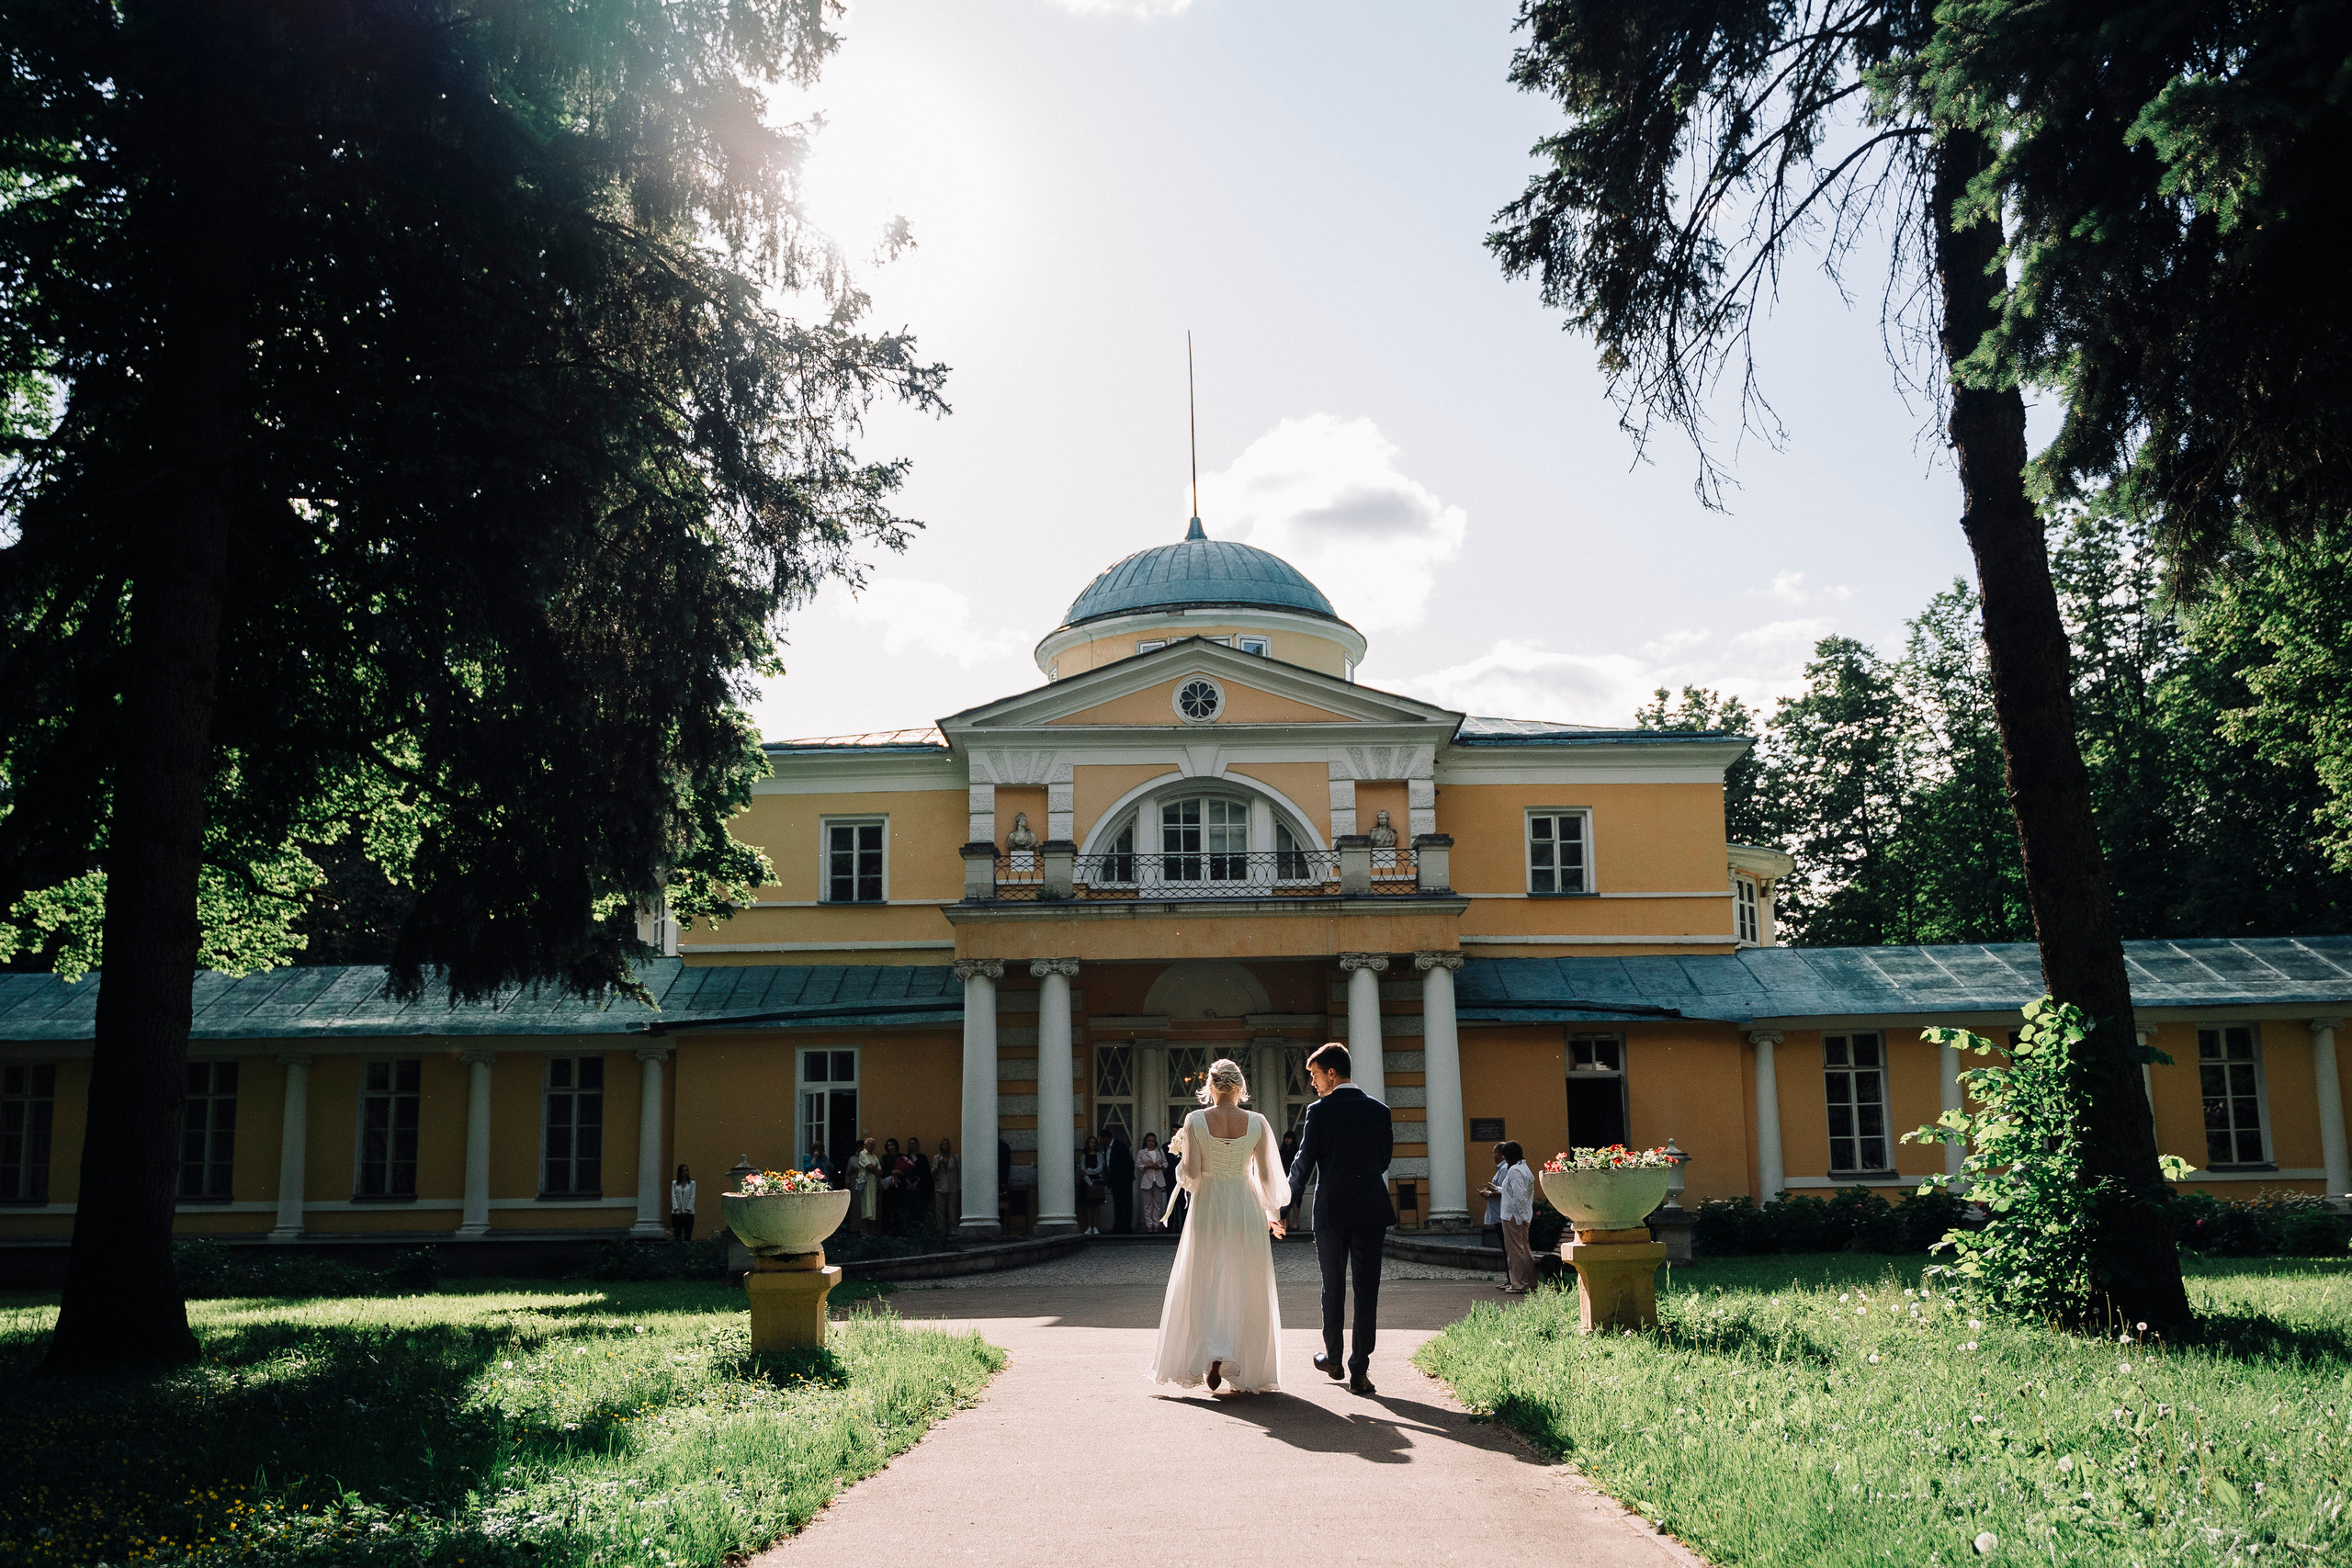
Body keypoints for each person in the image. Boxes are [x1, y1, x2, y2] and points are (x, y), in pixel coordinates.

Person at [1148, 1057, 1288, 1394]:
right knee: (1244, 1279)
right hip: (1244, 1203)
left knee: (1205, 1277)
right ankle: (1241, 1362)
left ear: (1210, 1087)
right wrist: (1272, 1214)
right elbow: (1267, 1177)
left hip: (1209, 1205)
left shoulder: (1196, 1120)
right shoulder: (1257, 1122)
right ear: (1241, 1087)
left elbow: (1193, 1174)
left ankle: (1212, 1352)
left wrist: (1182, 1170)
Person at [1285, 1040, 1394, 1396]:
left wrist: (1283, 1206)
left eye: (1315, 1075)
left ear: (1332, 1074)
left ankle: (1333, 1359)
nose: (1313, 1083)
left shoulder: (1320, 1111)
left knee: (1333, 1285)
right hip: (1370, 1208)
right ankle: (1359, 1371)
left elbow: (1303, 1164)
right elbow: (1382, 1162)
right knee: (1367, 1291)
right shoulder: (1380, 1111)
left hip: (1331, 1210)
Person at [1496, 1141, 1536, 1293]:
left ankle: (1519, 1284)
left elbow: (1519, 1196)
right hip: (1521, 1214)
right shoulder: (1524, 1168)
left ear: (1507, 1156)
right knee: (1525, 1249)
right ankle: (1531, 1281)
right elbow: (1518, 1193)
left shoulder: (1513, 1171)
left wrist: (1523, 1216)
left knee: (1515, 1251)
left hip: (1513, 1215)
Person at [1136, 1132, 1169, 1232]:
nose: (1151, 1143)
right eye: (1149, 1141)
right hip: (1147, 1179)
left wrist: (1160, 1166)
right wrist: (1147, 1166)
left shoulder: (1160, 1151)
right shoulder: (1142, 1152)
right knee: (1147, 1204)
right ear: (1146, 1142)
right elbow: (1138, 1165)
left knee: (1157, 1204)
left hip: (1158, 1178)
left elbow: (1166, 1163)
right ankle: (1149, 1225)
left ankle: (1156, 1225)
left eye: (1153, 1141)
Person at [1106, 1127, 1136, 1234]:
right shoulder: (1107, 1148)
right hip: (1114, 1182)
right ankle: (1118, 1226)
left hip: (1124, 1181)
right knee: (1117, 1204)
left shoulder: (1120, 1146)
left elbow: (1129, 1162)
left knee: (1126, 1204)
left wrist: (1127, 1177)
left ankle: (1127, 1227)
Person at [1478, 1145, 1507, 1252]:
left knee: (1506, 1245)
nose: (1493, 1156)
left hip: (1501, 1213)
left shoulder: (1504, 1169)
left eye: (1494, 1153)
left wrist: (1488, 1194)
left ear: (1500, 1154)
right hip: (1499, 1213)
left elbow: (1503, 1191)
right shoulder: (1501, 1169)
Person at [852, 1136, 881, 1234]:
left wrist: (874, 1170)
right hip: (864, 1183)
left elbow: (879, 1170)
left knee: (872, 1205)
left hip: (872, 1183)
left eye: (874, 1144)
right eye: (870, 1144)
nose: (872, 1146)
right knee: (865, 1205)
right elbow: (869, 1167)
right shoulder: (862, 1154)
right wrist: (874, 1170)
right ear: (865, 1145)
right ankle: (864, 1229)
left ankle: (869, 1229)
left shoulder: (874, 1156)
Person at [1080, 1135, 1108, 1235]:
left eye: (1094, 1142)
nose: (1093, 1144)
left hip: (1097, 1180)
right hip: (1087, 1182)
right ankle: (1089, 1226)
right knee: (1088, 1206)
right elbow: (1082, 1170)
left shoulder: (1099, 1155)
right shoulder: (1083, 1156)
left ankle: (1095, 1226)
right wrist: (1089, 1182)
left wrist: (1088, 1171)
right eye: (1091, 1142)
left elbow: (1100, 1168)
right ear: (1088, 1144)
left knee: (1096, 1206)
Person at [905, 1137, 933, 1234]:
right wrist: (908, 1183)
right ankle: (909, 1230)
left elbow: (925, 1172)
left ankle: (919, 1230)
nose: (911, 1145)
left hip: (919, 1186)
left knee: (918, 1208)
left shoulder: (922, 1157)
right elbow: (903, 1172)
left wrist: (916, 1182)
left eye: (913, 1143)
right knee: (909, 1208)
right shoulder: (905, 1158)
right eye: (910, 1143)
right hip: (907, 1185)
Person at [933, 1137, 960, 1233]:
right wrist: (937, 1165)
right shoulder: (937, 1158)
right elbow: (933, 1173)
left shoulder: (955, 1157)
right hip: (940, 1186)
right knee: (940, 1210)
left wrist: (959, 1186)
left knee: (952, 1210)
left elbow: (959, 1171)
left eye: (947, 1144)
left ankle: (953, 1229)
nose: (945, 1146)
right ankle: (941, 1230)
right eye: (943, 1144)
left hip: (952, 1185)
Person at [878, 1137, 903, 1233]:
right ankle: (885, 1230)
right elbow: (882, 1170)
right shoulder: (885, 1157)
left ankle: (897, 1230)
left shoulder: (901, 1156)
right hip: (888, 1184)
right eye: (889, 1145)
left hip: (898, 1185)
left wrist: (898, 1173)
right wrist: (891, 1173)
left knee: (897, 1208)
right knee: (886, 1208)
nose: (891, 1147)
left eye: (892, 1145)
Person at [1277, 1129, 1300, 1229]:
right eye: (1286, 1138)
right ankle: (1286, 1224)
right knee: (1285, 1200)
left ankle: (1295, 1223)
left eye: (1289, 1138)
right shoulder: (1282, 1151)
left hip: (1295, 1177)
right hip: (1284, 1177)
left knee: (1296, 1201)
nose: (1287, 1140)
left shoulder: (1296, 1151)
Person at [669, 1164, 695, 1245]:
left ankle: (687, 1250)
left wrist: (687, 1209)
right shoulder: (674, 1183)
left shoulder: (692, 1183)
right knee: (677, 1233)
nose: (685, 1173)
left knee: (688, 1234)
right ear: (680, 1172)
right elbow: (673, 1196)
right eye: (683, 1171)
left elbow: (692, 1196)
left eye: (686, 1170)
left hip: (689, 1213)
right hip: (677, 1213)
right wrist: (676, 1209)